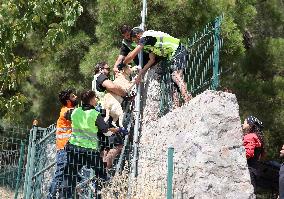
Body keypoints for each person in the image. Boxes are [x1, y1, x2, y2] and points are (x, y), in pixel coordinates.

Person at [61, 90, 128, 198]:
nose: (96, 99)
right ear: (91, 100)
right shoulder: (94, 114)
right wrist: (118, 130)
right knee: (102, 174)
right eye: (95, 98)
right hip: (89, 151)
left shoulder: (75, 112)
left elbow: (66, 115)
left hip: (73, 150)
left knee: (69, 177)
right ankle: (110, 194)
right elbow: (106, 132)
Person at [122, 27, 192, 103]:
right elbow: (151, 60)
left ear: (138, 36)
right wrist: (140, 74)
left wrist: (123, 63)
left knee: (176, 75)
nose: (135, 43)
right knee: (172, 83)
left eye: (135, 40)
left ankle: (188, 98)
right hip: (172, 55)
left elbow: (132, 55)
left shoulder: (146, 37)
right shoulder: (149, 44)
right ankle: (176, 106)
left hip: (178, 50)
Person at [47, 89, 78, 199]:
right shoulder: (66, 111)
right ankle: (50, 196)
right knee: (60, 174)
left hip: (69, 148)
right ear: (68, 101)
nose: (76, 96)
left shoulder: (71, 110)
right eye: (73, 96)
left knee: (70, 176)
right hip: (64, 148)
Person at [242, 115, 265, 193]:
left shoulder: (250, 136)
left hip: (249, 171)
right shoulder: (257, 137)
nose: (242, 124)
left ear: (250, 124)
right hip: (255, 170)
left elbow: (248, 154)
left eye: (244, 122)